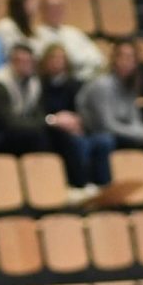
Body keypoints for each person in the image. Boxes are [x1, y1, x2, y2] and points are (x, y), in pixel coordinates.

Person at [39, 43, 112, 199]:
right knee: (77, 143)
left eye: (61, 58)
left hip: (77, 127)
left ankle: (104, 185)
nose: (57, 61)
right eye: (53, 58)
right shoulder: (38, 85)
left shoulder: (76, 84)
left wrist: (77, 121)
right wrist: (54, 120)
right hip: (52, 130)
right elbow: (38, 112)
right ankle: (80, 184)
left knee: (104, 140)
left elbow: (85, 110)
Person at [78, 40, 143, 151]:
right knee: (109, 140)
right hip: (92, 133)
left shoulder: (131, 86)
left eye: (131, 58)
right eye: (122, 57)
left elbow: (134, 121)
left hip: (117, 132)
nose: (126, 62)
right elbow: (107, 125)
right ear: (114, 59)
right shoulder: (102, 85)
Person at [26, 0, 107, 83]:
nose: (56, 11)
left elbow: (98, 60)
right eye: (51, 8)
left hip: (80, 81)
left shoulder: (74, 33)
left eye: (59, 7)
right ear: (42, 10)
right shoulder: (34, 35)